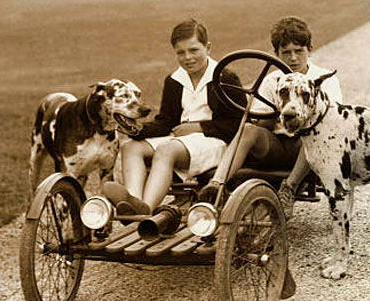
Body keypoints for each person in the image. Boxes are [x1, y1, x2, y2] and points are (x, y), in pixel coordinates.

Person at [103, 19, 244, 215]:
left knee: (166, 149)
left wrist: (199, 127)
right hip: (180, 141)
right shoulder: (175, 80)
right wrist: (139, 130)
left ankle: (147, 208)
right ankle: (133, 203)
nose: (188, 58)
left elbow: (238, 125)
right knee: (131, 147)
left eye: (194, 50)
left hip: (215, 143)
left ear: (208, 47)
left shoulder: (225, 78)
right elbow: (167, 122)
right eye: (180, 52)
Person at [208, 16, 342, 219]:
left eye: (299, 51)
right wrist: (275, 113)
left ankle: (289, 188)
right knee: (248, 130)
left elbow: (331, 123)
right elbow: (263, 123)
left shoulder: (323, 80)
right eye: (286, 53)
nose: (293, 58)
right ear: (276, 54)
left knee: (315, 133)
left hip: (307, 151)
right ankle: (216, 187)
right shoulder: (271, 81)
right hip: (277, 146)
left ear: (310, 49)